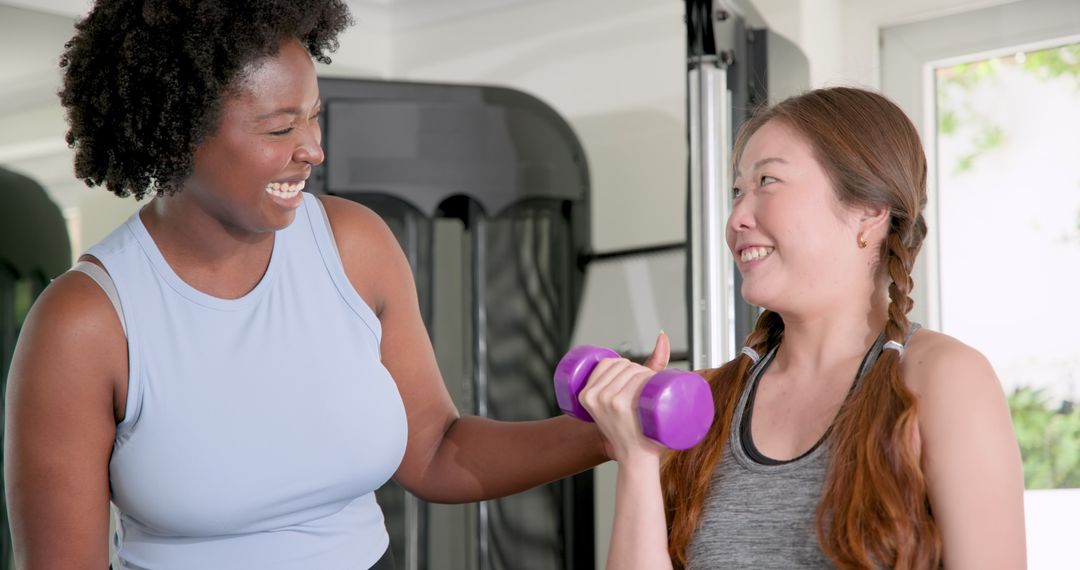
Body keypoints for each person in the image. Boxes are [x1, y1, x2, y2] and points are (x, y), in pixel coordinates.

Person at [2, 1, 669, 568]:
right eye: (280, 127)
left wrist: (611, 433)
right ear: (178, 137)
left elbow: (437, 452)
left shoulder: (353, 245)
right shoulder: (85, 324)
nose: (313, 148)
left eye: (314, 117)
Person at [578, 87, 1027, 569]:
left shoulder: (944, 379)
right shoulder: (710, 401)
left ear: (869, 210)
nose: (736, 218)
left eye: (767, 180)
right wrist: (638, 459)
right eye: (737, 191)